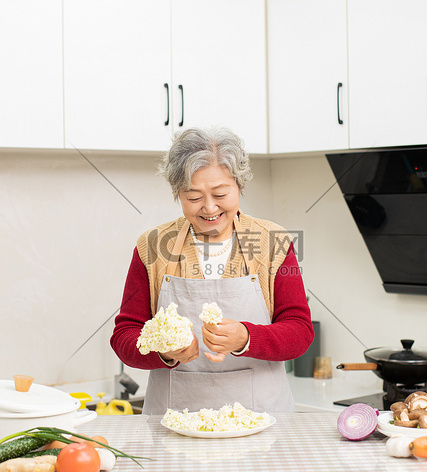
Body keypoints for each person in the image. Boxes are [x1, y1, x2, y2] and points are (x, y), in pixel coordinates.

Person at [111, 126, 314, 414]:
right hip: (174, 423)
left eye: (220, 193)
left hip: (262, 421)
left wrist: (246, 337)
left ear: (240, 186)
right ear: (177, 193)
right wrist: (162, 351)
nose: (209, 208)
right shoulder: (153, 246)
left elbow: (299, 331)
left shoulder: (273, 242)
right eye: (193, 197)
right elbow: (125, 334)